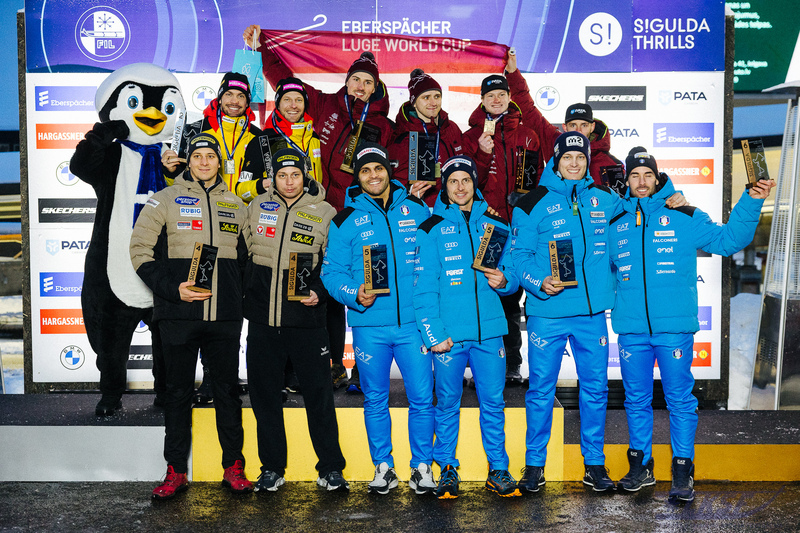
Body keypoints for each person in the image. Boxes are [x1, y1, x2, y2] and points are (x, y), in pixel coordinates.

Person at [608, 147, 774, 502]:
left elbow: (729, 240)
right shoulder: (615, 221)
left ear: (657, 178)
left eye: (648, 175)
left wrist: (752, 199)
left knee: (680, 401)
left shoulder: (683, 214)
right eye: (635, 175)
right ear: (627, 180)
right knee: (636, 400)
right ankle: (641, 466)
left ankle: (682, 470)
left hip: (674, 330)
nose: (641, 182)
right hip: (631, 330)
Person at [131, 133, 252, 499]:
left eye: (210, 156)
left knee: (227, 393)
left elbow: (249, 259)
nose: (203, 162)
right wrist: (173, 289)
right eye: (197, 156)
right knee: (177, 393)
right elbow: (139, 251)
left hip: (224, 317)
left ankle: (233, 467)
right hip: (178, 315)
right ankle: (175, 470)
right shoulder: (164, 199)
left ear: (219, 162)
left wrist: (239, 297)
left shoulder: (236, 204)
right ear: (188, 161)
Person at [321, 143, 436, 495]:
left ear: (389, 171)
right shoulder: (344, 220)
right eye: (365, 170)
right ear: (357, 177)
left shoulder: (417, 209)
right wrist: (353, 292)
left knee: (422, 398)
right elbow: (331, 273)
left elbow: (433, 262)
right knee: (374, 399)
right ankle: (383, 466)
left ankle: (422, 467)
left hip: (414, 325)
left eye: (379, 168)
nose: (373, 175)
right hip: (370, 326)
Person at [511, 131, 619, 493]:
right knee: (540, 390)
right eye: (567, 157)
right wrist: (539, 281)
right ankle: (534, 465)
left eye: (581, 157)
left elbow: (640, 215)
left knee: (596, 390)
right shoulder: (531, 203)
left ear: (588, 161)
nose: (574, 163)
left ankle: (594, 464)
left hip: (591, 314)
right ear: (556, 161)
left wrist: (670, 196)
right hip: (548, 312)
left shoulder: (605, 199)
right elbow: (518, 256)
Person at [413, 155, 520, 499]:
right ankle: (447, 467)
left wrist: (506, 281)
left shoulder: (496, 223)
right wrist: (434, 333)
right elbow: (423, 287)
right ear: (444, 187)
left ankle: (498, 468)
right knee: (447, 403)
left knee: (494, 403)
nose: (460, 187)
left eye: (466, 180)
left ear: (475, 184)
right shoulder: (430, 228)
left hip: (490, 333)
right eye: (453, 181)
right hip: (450, 336)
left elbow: (513, 272)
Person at [243, 148, 348, 492]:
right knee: (264, 399)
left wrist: (319, 290)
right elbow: (245, 253)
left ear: (306, 176)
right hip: (263, 321)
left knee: (319, 397)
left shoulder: (325, 212)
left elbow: (334, 264)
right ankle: (271, 468)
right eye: (282, 175)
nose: (289, 182)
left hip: (306, 322)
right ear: (272, 178)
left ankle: (331, 468)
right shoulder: (256, 206)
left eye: (295, 175)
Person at [243, 25, 394, 212]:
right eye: (356, 79)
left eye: (368, 82)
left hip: (359, 210)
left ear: (374, 88)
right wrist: (259, 47)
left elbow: (393, 169)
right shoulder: (326, 104)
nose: (360, 87)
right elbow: (285, 81)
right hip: (320, 207)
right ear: (347, 81)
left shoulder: (385, 126)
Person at [462, 68, 542, 386]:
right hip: (487, 230)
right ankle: (476, 365)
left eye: (501, 94)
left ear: (509, 97)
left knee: (511, 299)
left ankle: (512, 364)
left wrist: (526, 210)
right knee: (482, 294)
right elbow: (464, 186)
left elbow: (536, 184)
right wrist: (482, 154)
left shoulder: (528, 135)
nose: (496, 99)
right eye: (490, 95)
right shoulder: (471, 136)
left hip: (520, 231)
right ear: (482, 100)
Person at [506, 53, 620, 188]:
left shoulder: (609, 163)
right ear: (565, 127)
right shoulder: (555, 143)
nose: (578, 130)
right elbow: (528, 111)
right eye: (573, 125)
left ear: (592, 127)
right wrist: (513, 73)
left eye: (584, 125)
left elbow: (618, 200)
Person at [162, 72, 267, 203]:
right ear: (220, 99)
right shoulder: (195, 131)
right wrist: (170, 172)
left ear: (247, 103)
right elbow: (177, 185)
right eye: (229, 94)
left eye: (241, 96)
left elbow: (264, 185)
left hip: (243, 212)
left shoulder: (259, 137)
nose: (234, 101)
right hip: (203, 210)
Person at [389, 69, 463, 207]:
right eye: (426, 97)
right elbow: (395, 183)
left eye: (437, 96)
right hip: (422, 209)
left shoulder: (451, 128)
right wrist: (409, 194)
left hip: (455, 208)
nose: (433, 102)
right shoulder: (403, 136)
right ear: (414, 102)